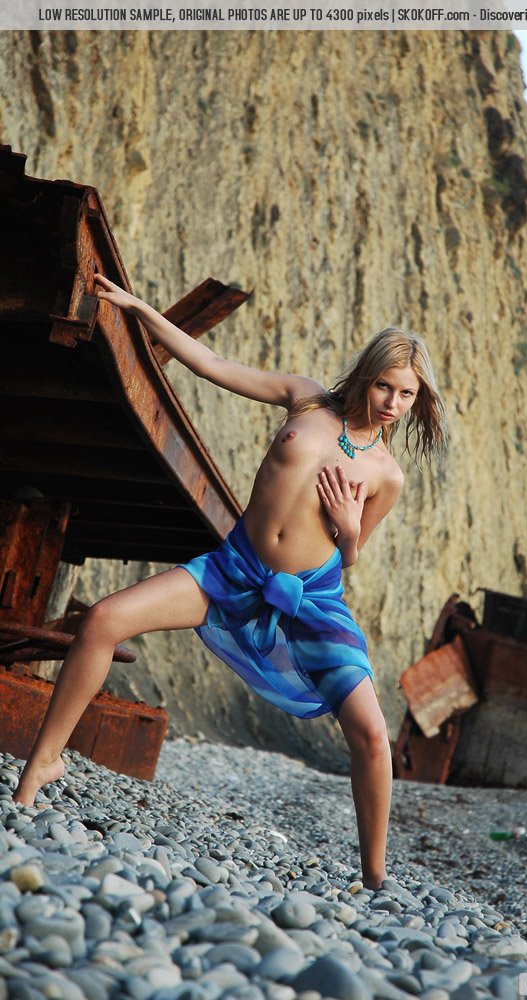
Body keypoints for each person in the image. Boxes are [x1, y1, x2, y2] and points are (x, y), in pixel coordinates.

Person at [14, 272, 448, 889]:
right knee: (104, 619)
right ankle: (44, 763)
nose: (392, 403)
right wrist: (140, 308)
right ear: (366, 374)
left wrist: (351, 528)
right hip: (234, 570)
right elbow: (213, 364)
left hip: (311, 600)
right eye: (385, 385)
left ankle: (376, 877)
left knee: (372, 736)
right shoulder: (307, 400)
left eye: (406, 395)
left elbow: (350, 557)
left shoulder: (386, 474)